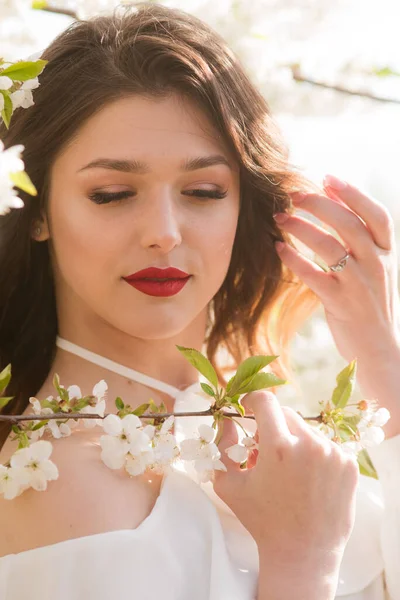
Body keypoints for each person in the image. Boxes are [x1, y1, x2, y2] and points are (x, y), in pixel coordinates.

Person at [0, 2, 399, 599]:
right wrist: (302, 564)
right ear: (36, 209)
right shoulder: (56, 484)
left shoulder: (264, 433)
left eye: (204, 190)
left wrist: (382, 364)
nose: (164, 230)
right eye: (111, 194)